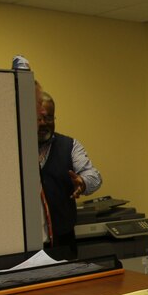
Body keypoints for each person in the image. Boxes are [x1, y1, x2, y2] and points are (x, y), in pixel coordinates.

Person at [37, 85, 102, 254]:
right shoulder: (14, 149)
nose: (43, 123)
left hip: (63, 242)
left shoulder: (69, 145)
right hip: (27, 244)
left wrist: (83, 183)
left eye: (49, 118)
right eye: (38, 118)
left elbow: (94, 176)